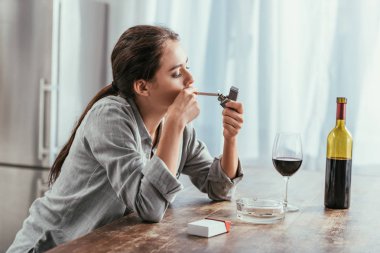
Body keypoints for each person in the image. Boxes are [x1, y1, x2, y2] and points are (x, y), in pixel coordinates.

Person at [7, 25, 244, 253]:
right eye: (176, 73)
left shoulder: (175, 128)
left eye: (187, 67)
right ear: (142, 86)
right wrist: (175, 123)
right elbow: (149, 207)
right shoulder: (110, 117)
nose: (190, 79)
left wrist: (230, 138)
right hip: (52, 247)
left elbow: (219, 188)